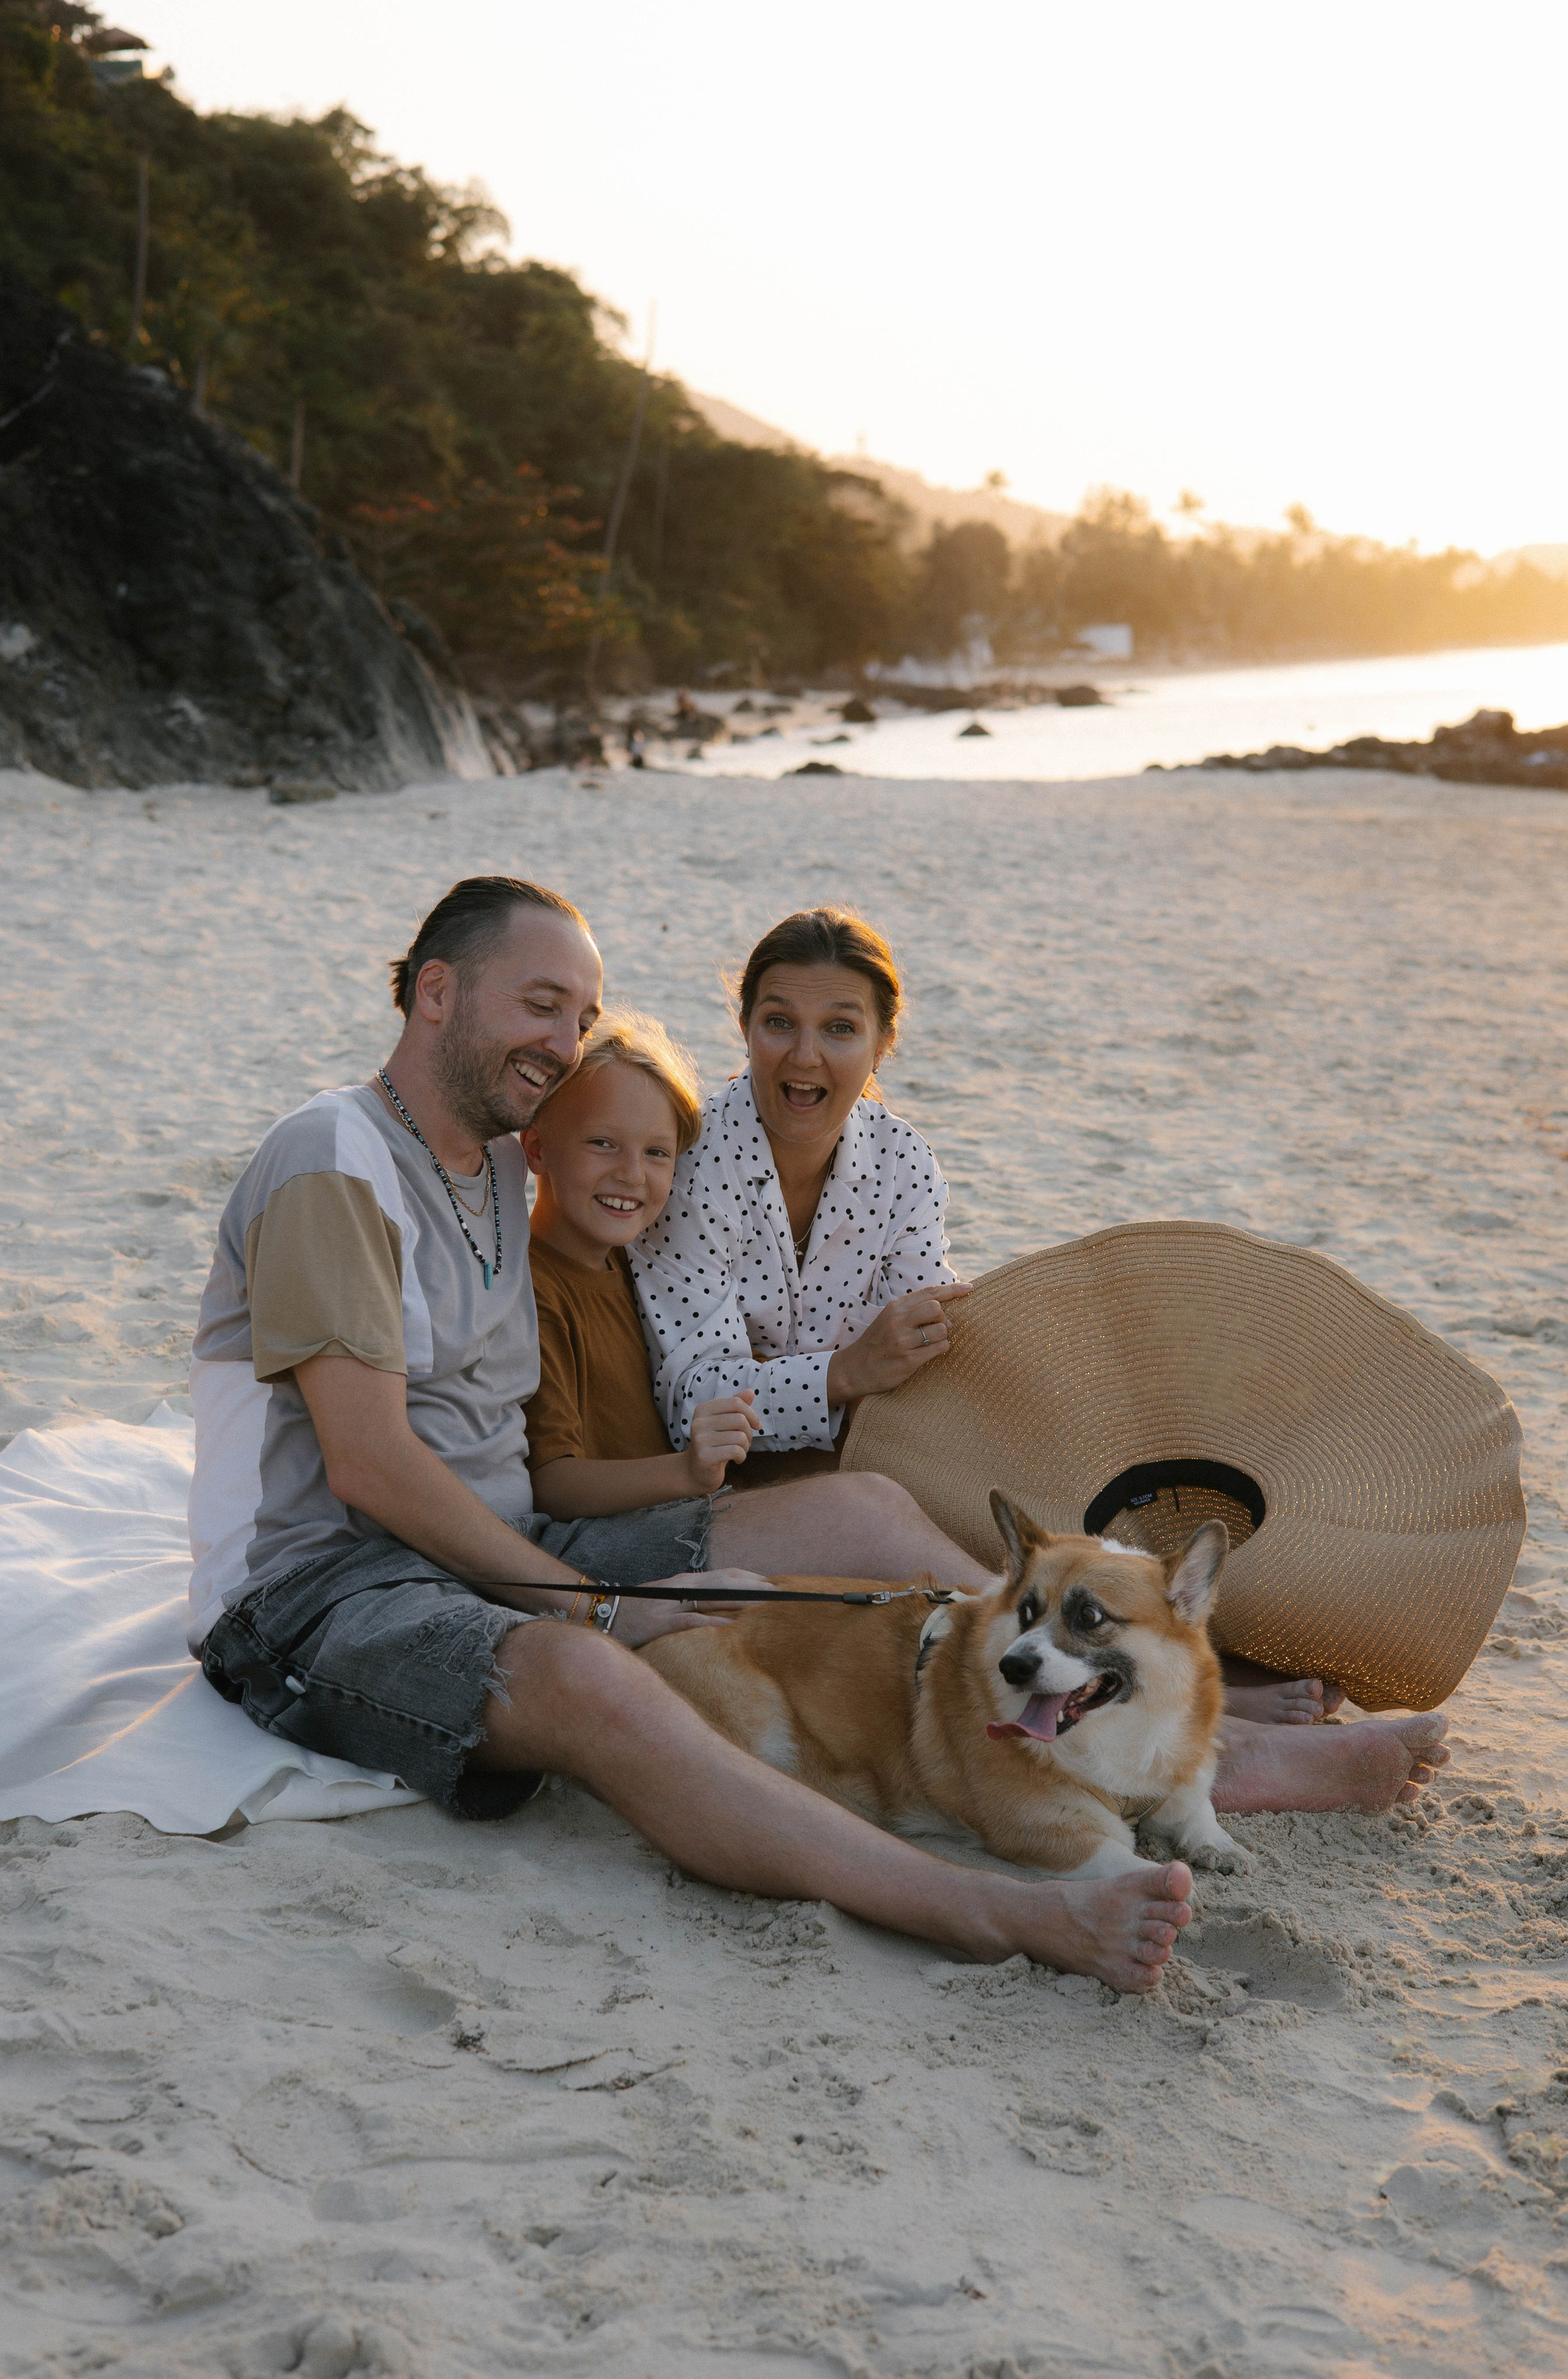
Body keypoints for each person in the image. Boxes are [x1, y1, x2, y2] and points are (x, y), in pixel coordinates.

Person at [187, 875, 1447, 1995]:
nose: (562, 1040)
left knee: (863, 1520)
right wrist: (593, 1603)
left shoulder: (499, 1164)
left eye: (579, 1011)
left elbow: (613, 1192)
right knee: (589, 1676)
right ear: (433, 992)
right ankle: (982, 1902)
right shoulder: (333, 1162)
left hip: (512, 1530)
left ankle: (1194, 1743)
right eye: (538, 1004)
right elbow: (367, 1463)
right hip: (327, 1587)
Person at [630, 905, 1346, 1728]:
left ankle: (1168, 1646)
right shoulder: (691, 1160)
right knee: (904, 1531)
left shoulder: (902, 1162)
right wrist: (843, 1373)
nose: (804, 1055)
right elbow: (693, 1403)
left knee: (1024, 1494)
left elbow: (933, 1341)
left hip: (875, 1454)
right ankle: (1184, 1696)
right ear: (746, 1026)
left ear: (881, 1044)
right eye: (778, 1023)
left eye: (839, 1028)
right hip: (716, 1492)